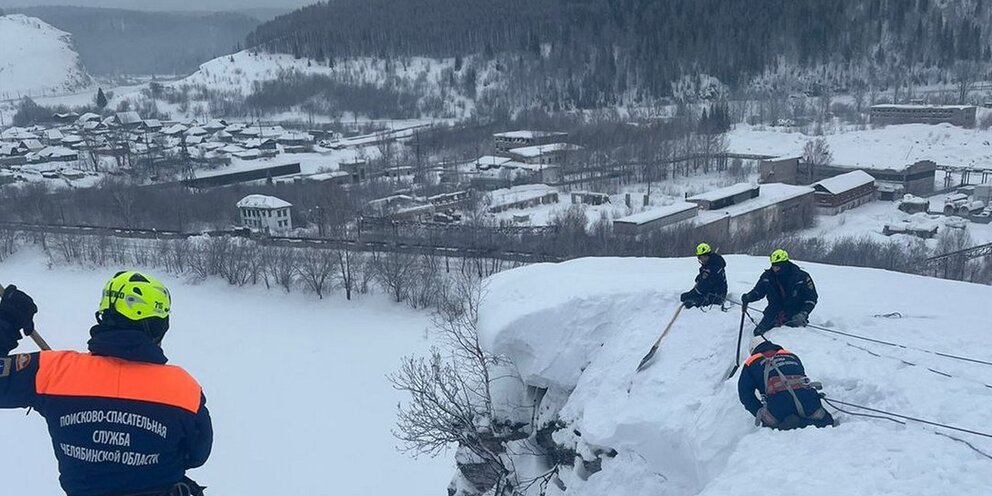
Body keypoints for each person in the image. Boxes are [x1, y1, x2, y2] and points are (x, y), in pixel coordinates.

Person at [0, 271, 212, 496]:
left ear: (104, 317)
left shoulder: (52, 371)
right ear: (159, 327)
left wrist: (7, 322)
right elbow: (197, 456)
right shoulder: (183, 390)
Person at [738, 335, 834, 430]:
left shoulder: (751, 363)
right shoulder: (791, 355)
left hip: (779, 406)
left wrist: (760, 412)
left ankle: (793, 424)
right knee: (826, 421)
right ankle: (807, 422)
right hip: (807, 400)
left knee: (773, 423)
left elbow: (745, 395)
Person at [740, 249, 817, 336]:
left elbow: (811, 298)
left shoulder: (802, 277)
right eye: (773, 266)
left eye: (777, 267)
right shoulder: (767, 277)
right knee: (758, 332)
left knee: (788, 336)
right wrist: (749, 297)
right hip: (773, 311)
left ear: (785, 265)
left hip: (795, 315)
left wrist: (803, 313)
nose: (775, 270)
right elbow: (758, 291)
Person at [680, 242, 727, 309]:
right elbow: (701, 279)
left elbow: (705, 285)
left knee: (691, 303)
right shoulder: (706, 265)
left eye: (704, 257)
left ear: (709, 256)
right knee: (684, 297)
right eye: (700, 258)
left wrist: (693, 293)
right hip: (708, 292)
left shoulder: (716, 267)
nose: (702, 260)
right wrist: (699, 278)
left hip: (717, 295)